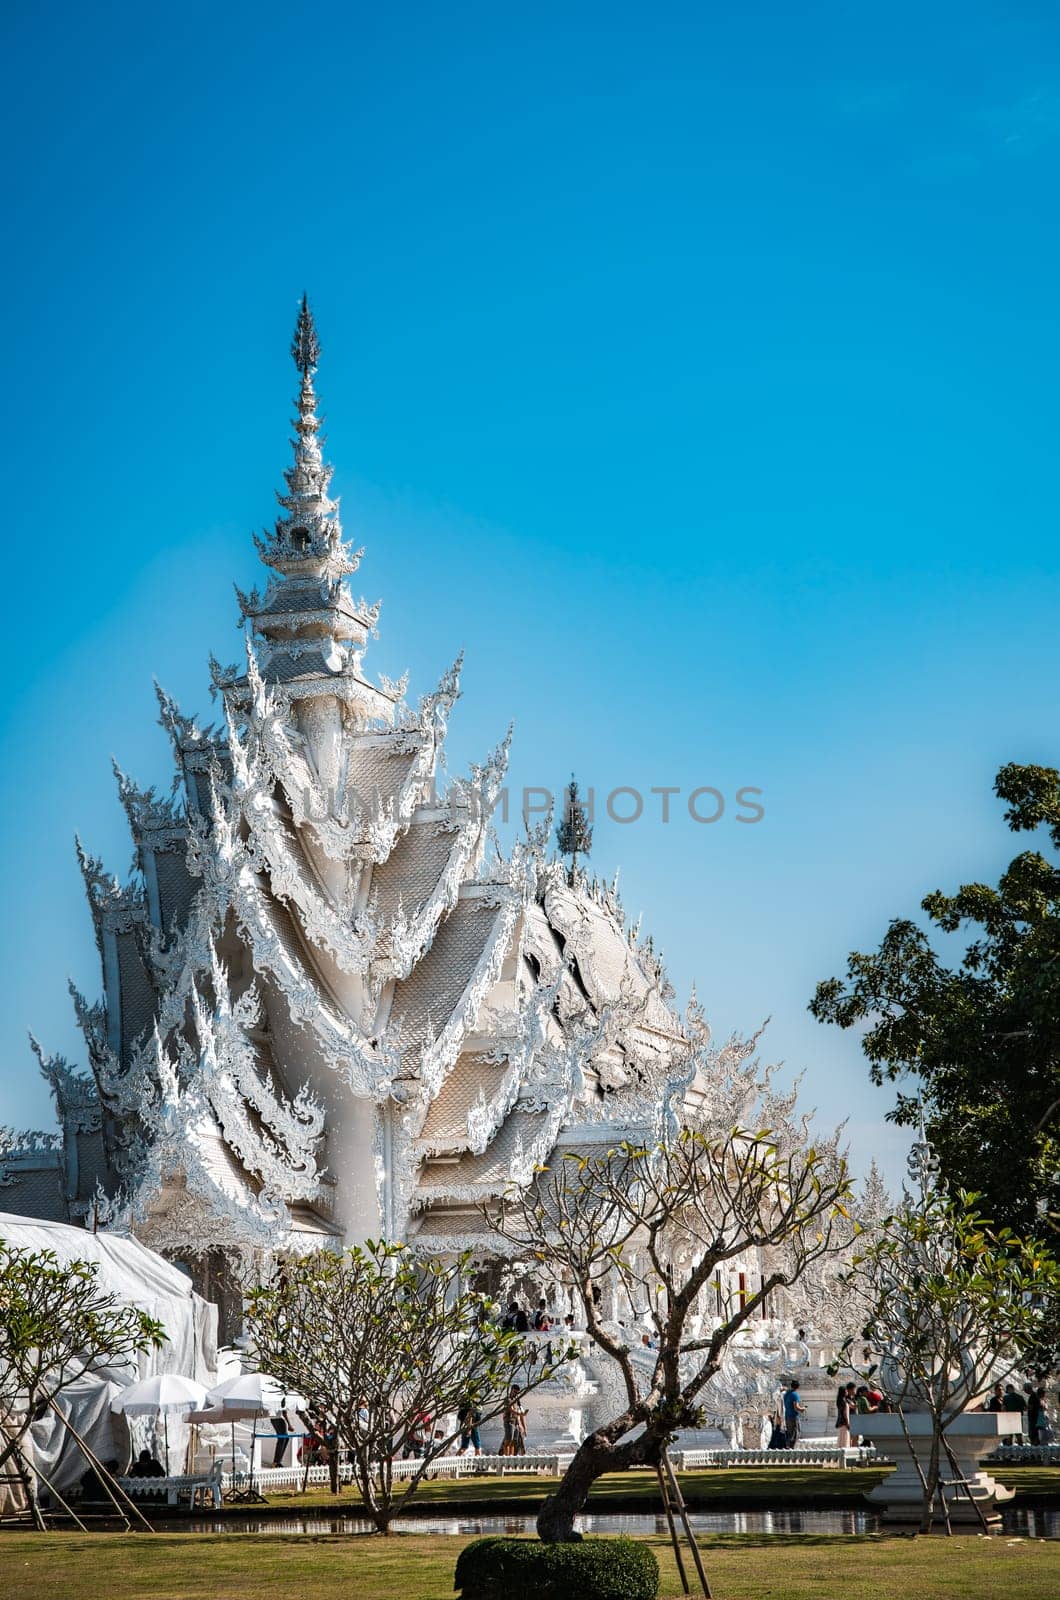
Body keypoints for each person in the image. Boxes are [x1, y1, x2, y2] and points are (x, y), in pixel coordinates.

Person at [502, 1386, 527, 1456]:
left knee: (513, 1442)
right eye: (515, 1392)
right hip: (509, 1421)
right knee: (508, 1441)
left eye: (517, 1393)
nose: (516, 1394)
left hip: (515, 1422)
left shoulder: (515, 1400)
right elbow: (511, 1410)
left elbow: (517, 1411)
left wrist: (519, 1424)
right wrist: (520, 1413)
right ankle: (506, 1458)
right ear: (512, 1390)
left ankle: (511, 1457)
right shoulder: (508, 1399)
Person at [783, 1381, 805, 1448]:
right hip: (793, 1416)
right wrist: (802, 1409)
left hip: (787, 1415)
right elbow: (796, 1407)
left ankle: (788, 1446)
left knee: (789, 1432)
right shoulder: (795, 1395)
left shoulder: (787, 1394)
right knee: (796, 1432)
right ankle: (792, 1448)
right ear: (798, 1387)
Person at [835, 1382, 856, 1449]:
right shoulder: (845, 1402)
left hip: (841, 1423)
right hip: (845, 1423)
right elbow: (845, 1414)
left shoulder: (840, 1401)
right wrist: (848, 1423)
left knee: (841, 1439)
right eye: (846, 1391)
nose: (847, 1391)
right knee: (845, 1439)